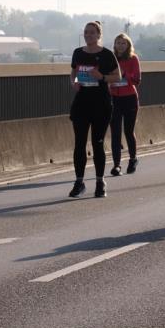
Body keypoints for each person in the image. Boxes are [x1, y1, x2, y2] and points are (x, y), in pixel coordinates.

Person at [69, 21, 120, 198]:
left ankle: (100, 181)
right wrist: (74, 83)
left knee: (98, 143)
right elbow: (74, 72)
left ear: (99, 35)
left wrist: (102, 77)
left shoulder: (107, 54)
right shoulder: (78, 53)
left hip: (101, 103)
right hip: (81, 103)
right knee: (79, 144)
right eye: (86, 32)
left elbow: (117, 76)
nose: (88, 35)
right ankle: (79, 181)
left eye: (92, 33)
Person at [109, 33, 141, 176]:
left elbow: (137, 80)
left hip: (129, 98)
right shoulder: (110, 59)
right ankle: (116, 165)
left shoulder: (133, 59)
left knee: (128, 131)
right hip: (114, 98)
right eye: (118, 43)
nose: (120, 46)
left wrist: (125, 75)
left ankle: (133, 159)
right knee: (115, 133)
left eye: (123, 43)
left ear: (128, 45)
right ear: (114, 45)